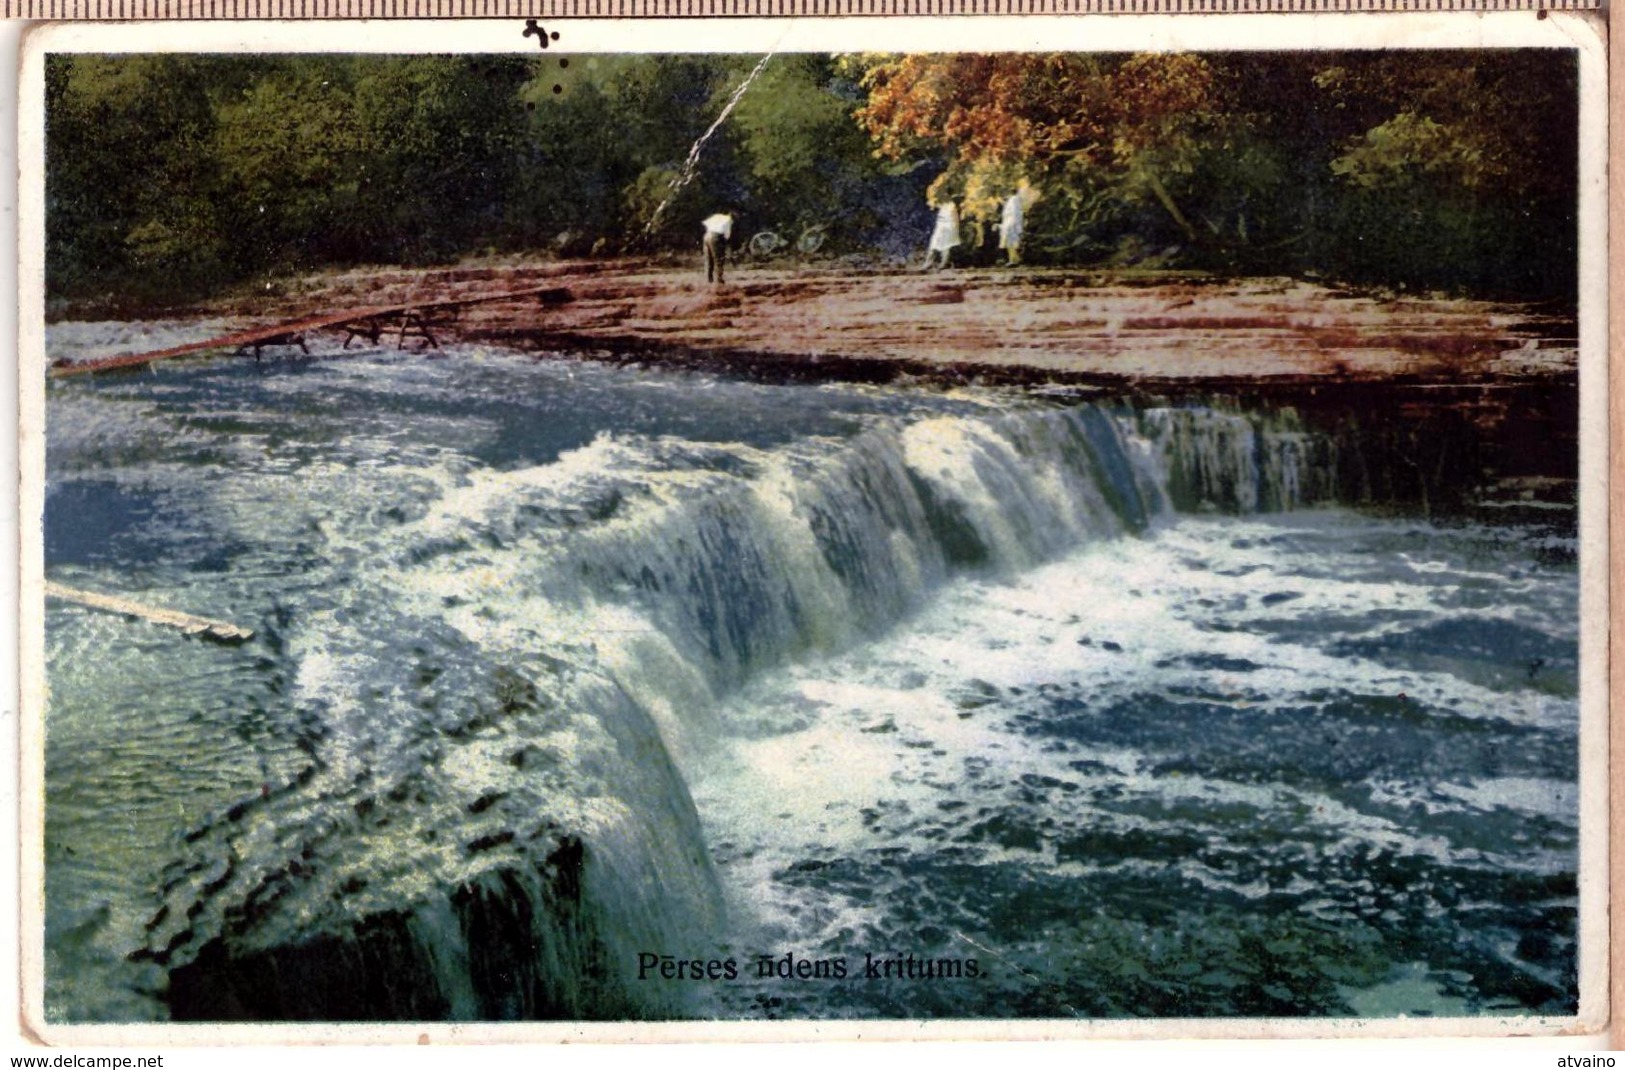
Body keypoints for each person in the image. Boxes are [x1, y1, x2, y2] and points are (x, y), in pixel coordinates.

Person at [925, 199, 961, 270]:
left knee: (946, 245)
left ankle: (943, 263)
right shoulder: (944, 205)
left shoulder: (951, 206)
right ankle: (929, 262)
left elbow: (954, 220)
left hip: (948, 227)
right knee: (934, 244)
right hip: (942, 226)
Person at [701, 211, 734, 284]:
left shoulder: (716, 216)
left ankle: (708, 279)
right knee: (719, 259)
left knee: (708, 259)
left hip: (707, 236)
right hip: (716, 237)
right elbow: (727, 234)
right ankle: (719, 280)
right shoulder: (728, 219)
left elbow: (705, 224)